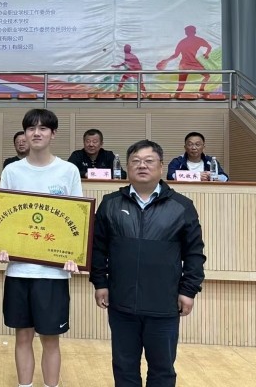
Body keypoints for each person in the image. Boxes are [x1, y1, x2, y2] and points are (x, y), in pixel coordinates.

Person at [90, 139, 206, 386]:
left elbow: (194, 253)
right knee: (124, 368)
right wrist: (100, 283)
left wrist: (188, 290)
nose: (142, 166)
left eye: (149, 161)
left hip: (164, 304)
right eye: (136, 161)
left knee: (162, 370)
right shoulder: (110, 203)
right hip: (121, 303)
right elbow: (97, 248)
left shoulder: (182, 206)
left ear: (161, 166)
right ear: (127, 167)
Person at [0, 109, 82, 387]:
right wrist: (1, 247)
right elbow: (3, 218)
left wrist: (74, 255)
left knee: (50, 339)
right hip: (19, 270)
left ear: (53, 134)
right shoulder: (12, 171)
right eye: (31, 128)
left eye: (43, 128)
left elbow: (77, 219)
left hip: (53, 273)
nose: (36, 133)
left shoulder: (68, 171)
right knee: (22, 336)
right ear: (24, 133)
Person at [157, 25, 212, 93]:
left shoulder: (186, 41)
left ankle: (201, 90)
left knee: (206, 76)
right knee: (181, 85)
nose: (187, 32)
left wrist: (166, 61)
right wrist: (166, 61)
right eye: (187, 31)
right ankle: (201, 90)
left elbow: (175, 55)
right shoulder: (188, 41)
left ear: (192, 32)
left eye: (188, 31)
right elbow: (209, 47)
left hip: (189, 63)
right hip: (186, 64)